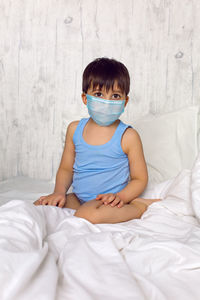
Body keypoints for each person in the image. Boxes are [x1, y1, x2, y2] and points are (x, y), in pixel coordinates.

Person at [34, 57, 160, 223]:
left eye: (115, 96)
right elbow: (66, 168)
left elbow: (140, 179)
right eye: (99, 94)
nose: (107, 102)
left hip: (109, 202)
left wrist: (120, 197)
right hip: (79, 199)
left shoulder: (128, 136)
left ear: (125, 102)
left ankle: (139, 207)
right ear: (85, 98)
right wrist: (58, 192)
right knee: (40, 207)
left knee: (88, 215)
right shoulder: (74, 129)